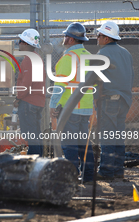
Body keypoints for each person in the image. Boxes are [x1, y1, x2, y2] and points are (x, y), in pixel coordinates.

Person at [49, 22, 95, 183]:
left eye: (65, 35)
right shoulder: (89, 56)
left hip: (70, 109)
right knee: (84, 144)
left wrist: (53, 105)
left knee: (69, 145)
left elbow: (59, 86)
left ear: (71, 39)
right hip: (86, 109)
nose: (64, 38)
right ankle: (88, 177)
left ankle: (71, 178)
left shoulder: (68, 58)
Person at [95, 21, 134, 180]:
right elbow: (131, 77)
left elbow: (97, 80)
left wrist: (96, 99)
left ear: (106, 38)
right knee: (118, 136)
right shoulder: (126, 53)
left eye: (99, 35)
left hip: (108, 100)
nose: (96, 37)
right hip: (124, 100)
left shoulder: (102, 54)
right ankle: (118, 171)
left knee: (108, 137)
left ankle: (106, 171)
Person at [13, 29, 46, 156]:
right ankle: (41, 161)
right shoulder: (37, 58)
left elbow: (26, 83)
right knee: (36, 134)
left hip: (28, 102)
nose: (19, 43)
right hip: (38, 102)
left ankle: (35, 163)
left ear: (26, 43)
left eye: (20, 41)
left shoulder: (28, 60)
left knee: (31, 136)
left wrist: (18, 98)